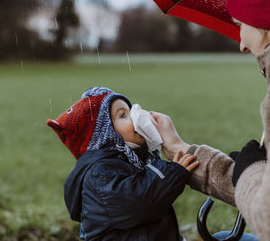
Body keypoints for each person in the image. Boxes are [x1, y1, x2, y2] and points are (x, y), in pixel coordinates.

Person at [149, 0, 270, 240]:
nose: (242, 44)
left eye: (240, 24)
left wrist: (251, 170)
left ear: (265, 18)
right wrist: (184, 150)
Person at [46, 87, 199, 241]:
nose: (134, 116)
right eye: (123, 115)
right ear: (105, 134)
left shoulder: (133, 158)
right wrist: (173, 174)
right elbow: (140, 203)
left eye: (130, 110)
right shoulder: (99, 173)